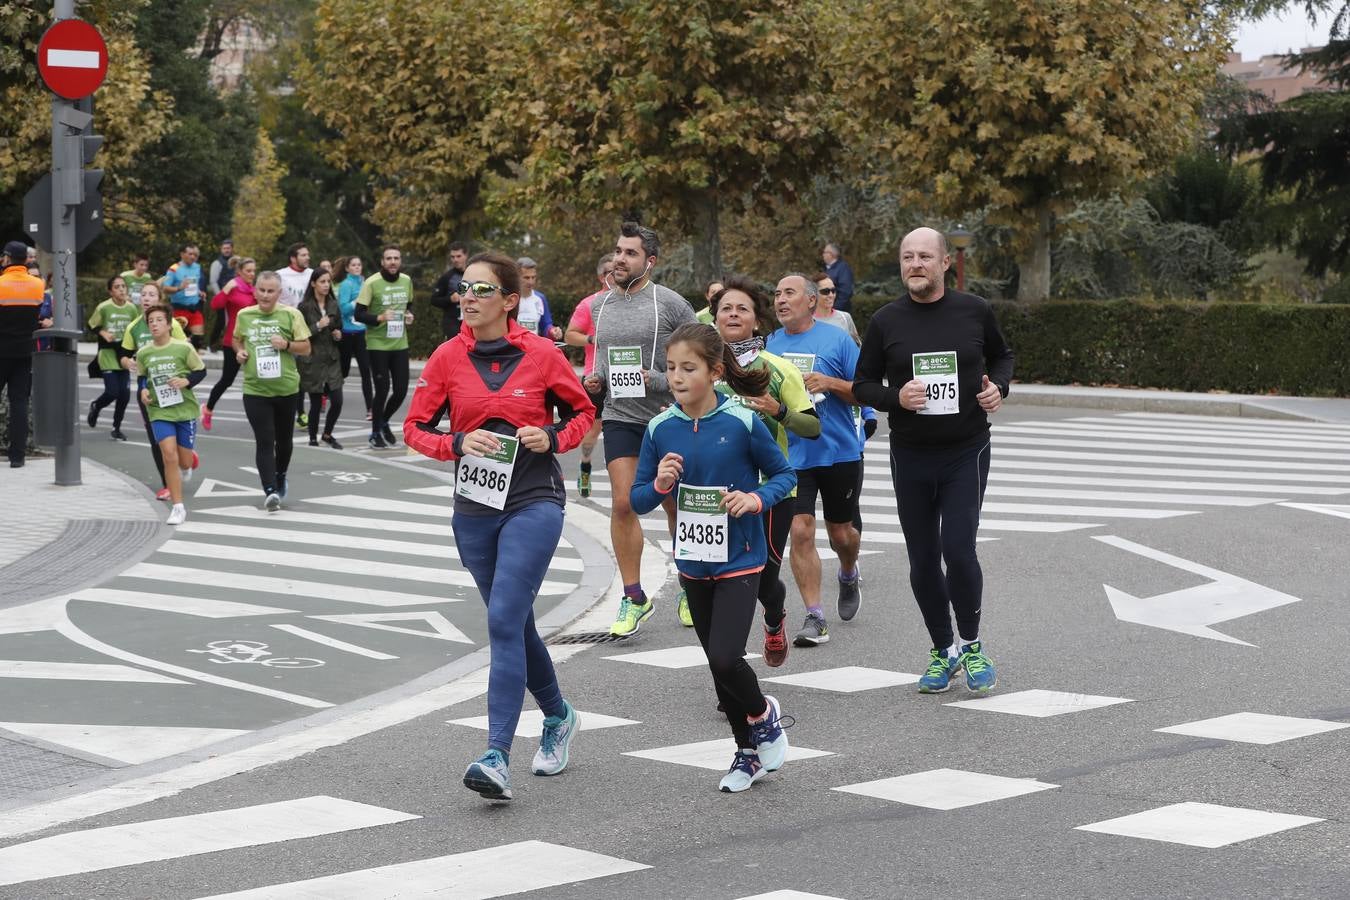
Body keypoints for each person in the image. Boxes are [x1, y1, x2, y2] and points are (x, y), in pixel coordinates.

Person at [403, 252, 595, 802]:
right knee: (511, 622)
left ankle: (496, 755)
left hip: (533, 499)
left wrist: (552, 438)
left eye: (481, 289)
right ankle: (558, 715)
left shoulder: (541, 356)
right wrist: (456, 444)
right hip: (474, 509)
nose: (467, 297)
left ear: (510, 301)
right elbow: (414, 429)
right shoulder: (445, 357)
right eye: (464, 288)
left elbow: (582, 414)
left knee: (504, 618)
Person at [631, 322, 795, 793]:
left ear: (714, 371)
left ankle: (764, 715)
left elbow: (784, 475)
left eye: (688, 368)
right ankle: (747, 753)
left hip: (741, 556)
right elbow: (637, 499)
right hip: (692, 560)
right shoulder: (660, 428)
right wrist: (661, 483)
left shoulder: (742, 421)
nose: (677, 378)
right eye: (670, 369)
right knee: (715, 663)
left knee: (726, 658)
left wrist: (756, 500)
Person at [853, 227, 1014, 694]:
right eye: (907, 257)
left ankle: (972, 644)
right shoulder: (886, 321)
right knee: (923, 558)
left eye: (925, 256)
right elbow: (862, 385)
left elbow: (1003, 357)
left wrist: (996, 388)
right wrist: (895, 397)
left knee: (959, 550)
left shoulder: (974, 311)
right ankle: (943, 650)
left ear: (945, 263)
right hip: (911, 453)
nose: (915, 264)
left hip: (966, 449)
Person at [583, 222, 699, 635]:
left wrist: (661, 379)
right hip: (620, 416)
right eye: (618, 251)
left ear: (649, 262)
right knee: (623, 502)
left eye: (630, 253)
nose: (619, 258)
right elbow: (601, 362)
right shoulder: (600, 305)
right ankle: (633, 597)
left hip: (666, 417)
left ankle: (690, 584)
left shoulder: (669, 304)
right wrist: (594, 381)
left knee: (672, 505)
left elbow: (702, 362)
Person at [711, 277, 820, 668]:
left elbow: (813, 426)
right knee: (724, 581)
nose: (734, 314)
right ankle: (731, 667)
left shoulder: (778, 369)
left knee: (760, 580)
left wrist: (778, 411)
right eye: (726, 308)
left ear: (756, 321)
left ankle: (774, 618)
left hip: (770, 492)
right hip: (715, 494)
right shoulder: (704, 369)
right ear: (716, 318)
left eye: (742, 309)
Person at [766, 273, 863, 649]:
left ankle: (849, 570)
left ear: (810, 301)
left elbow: (866, 390)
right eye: (776, 294)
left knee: (842, 534)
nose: (780, 300)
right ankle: (815, 615)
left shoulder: (837, 339)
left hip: (837, 451)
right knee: (801, 530)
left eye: (788, 293)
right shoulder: (769, 346)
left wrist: (830, 383)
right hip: (792, 454)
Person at [233, 270, 312, 510]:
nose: (265, 295)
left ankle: (280, 476)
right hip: (255, 389)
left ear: (279, 293)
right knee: (265, 440)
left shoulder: (291, 315)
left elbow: (306, 348)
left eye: (270, 291)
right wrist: (240, 351)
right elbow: (237, 339)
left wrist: (286, 344)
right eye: (261, 290)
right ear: (255, 290)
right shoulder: (244, 315)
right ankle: (270, 490)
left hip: (286, 388)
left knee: (284, 441)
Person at [136, 306, 207, 525]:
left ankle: (189, 461)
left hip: (184, 409)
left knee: (183, 461)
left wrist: (186, 381)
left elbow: (200, 371)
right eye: (151, 321)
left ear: (169, 324)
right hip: (159, 410)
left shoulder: (183, 348)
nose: (155, 324)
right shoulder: (144, 352)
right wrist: (143, 390)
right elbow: (142, 377)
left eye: (159, 320)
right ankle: (178, 507)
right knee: (168, 455)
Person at [120, 283, 190, 498]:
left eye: (151, 294)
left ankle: (186, 456)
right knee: (156, 439)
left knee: (177, 439)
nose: (146, 298)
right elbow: (123, 355)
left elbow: (186, 350)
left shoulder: (172, 325)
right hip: (148, 391)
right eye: (143, 294)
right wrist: (128, 363)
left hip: (173, 387)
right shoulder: (134, 327)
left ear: (159, 299)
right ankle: (167, 483)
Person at [562, 253, 614, 497]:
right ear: (600, 277)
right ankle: (585, 466)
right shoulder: (589, 304)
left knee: (627, 428)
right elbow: (570, 335)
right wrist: (593, 339)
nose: (613, 276)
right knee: (592, 433)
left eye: (617, 270)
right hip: (597, 377)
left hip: (629, 376)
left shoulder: (634, 301)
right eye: (608, 273)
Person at [355, 244, 414, 449]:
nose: (392, 262)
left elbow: (409, 305)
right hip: (377, 344)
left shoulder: (406, 280)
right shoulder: (372, 283)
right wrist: (379, 317)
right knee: (382, 389)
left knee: (400, 390)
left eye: (396, 258)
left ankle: (383, 421)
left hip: (400, 342)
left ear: (400, 261)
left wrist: (408, 316)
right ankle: (374, 433)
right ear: (382, 261)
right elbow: (359, 314)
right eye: (388, 258)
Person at [0, 241, 44, 468]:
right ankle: (17, 456)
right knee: (19, 403)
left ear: (7, 258)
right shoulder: (37, 285)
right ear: (25, 260)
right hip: (25, 351)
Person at [202, 257, 257, 430]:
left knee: (257, 380)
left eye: (254, 271)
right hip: (232, 341)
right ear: (239, 271)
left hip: (252, 341)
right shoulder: (233, 288)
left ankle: (260, 418)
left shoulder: (254, 290)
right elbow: (215, 304)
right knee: (227, 380)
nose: (252, 274)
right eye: (248, 271)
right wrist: (226, 288)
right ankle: (208, 409)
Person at [297, 268, 345, 448]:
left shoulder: (333, 304)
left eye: (328, 282)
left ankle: (327, 434)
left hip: (332, 359)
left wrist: (338, 334)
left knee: (337, 401)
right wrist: (318, 325)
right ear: (313, 284)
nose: (326, 285)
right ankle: (312, 438)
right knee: (316, 403)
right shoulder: (304, 307)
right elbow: (299, 335)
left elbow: (339, 326)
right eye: (322, 281)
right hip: (313, 360)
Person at [86, 274, 139, 440]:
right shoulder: (104, 307)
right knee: (112, 392)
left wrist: (135, 351)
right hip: (107, 353)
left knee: (124, 395)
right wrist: (103, 333)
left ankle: (116, 427)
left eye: (123, 286)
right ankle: (96, 406)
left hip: (123, 354)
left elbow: (135, 330)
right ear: (110, 291)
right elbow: (91, 325)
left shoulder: (131, 308)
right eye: (117, 287)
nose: (122, 289)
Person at [334, 255, 373, 421]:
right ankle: (328, 395)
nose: (357, 267)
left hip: (361, 333)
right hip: (347, 333)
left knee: (366, 370)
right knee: (343, 371)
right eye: (354, 265)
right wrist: (357, 302)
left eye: (359, 264)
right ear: (348, 268)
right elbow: (342, 309)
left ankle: (370, 409)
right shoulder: (346, 285)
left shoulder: (365, 284)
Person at [159, 243, 206, 349]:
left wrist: (199, 293)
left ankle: (194, 363)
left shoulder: (197, 267)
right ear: (182, 254)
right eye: (190, 254)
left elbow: (194, 285)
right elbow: (165, 288)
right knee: (176, 340)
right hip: (179, 309)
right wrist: (179, 288)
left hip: (194, 308)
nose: (193, 257)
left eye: (195, 254)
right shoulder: (174, 268)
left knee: (197, 339)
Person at [429, 241, 469, 341]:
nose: (455, 260)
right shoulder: (447, 277)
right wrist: (450, 299)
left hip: (471, 321)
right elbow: (434, 300)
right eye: (452, 257)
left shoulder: (475, 274)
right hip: (453, 323)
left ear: (466, 255)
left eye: (458, 256)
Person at [515, 257, 563, 340]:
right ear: (517, 277)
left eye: (533, 277)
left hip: (533, 348)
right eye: (526, 278)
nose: (531, 282)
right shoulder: (509, 298)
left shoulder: (540, 298)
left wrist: (552, 331)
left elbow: (546, 325)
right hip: (512, 349)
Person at [813, 272, 860, 344]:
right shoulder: (806, 321)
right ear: (814, 294)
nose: (831, 295)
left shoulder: (845, 318)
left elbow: (856, 347)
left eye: (833, 290)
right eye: (825, 291)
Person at [206, 240, 235, 351]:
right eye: (224, 248)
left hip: (234, 297)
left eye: (228, 248)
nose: (226, 250)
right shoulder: (217, 263)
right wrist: (220, 296)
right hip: (222, 297)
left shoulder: (237, 261)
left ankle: (231, 344)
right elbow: (213, 282)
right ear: (221, 249)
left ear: (232, 248)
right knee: (221, 322)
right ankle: (212, 344)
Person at [276, 243, 313, 309]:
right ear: (293, 259)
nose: (308, 258)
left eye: (308, 255)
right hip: (287, 316)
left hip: (309, 317)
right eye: (303, 255)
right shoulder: (279, 275)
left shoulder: (312, 273)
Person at [821, 242, 855, 313]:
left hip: (838, 312)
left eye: (825, 252)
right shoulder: (828, 269)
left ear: (832, 254)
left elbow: (845, 292)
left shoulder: (843, 269)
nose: (823, 254)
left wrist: (835, 309)